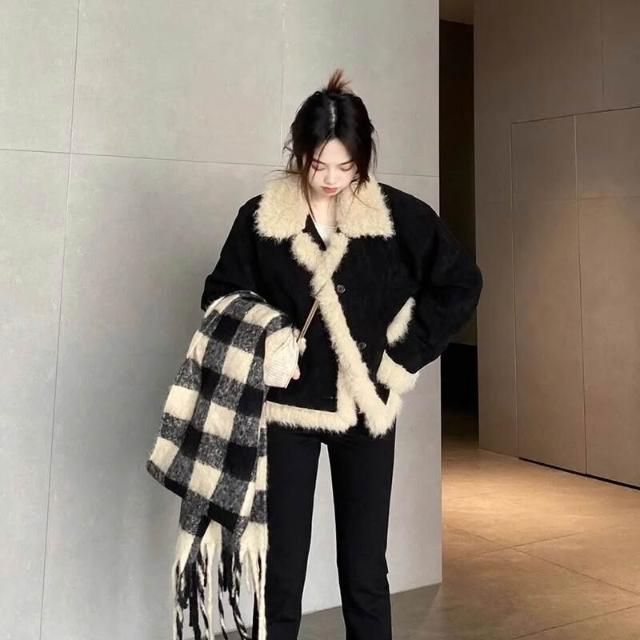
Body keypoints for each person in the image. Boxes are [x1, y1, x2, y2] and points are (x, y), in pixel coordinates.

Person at [200, 68, 483, 640]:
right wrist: (271, 337)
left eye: (345, 166)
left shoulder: (396, 216)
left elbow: (460, 283)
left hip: (365, 409)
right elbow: (220, 296)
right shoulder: (262, 216)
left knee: (365, 570)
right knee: (280, 572)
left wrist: (401, 357)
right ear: (299, 153)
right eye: (318, 165)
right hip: (287, 412)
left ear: (363, 158)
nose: (330, 179)